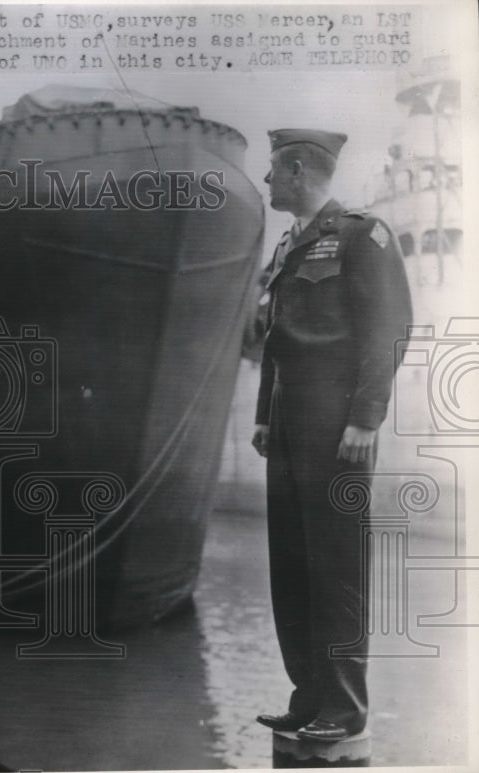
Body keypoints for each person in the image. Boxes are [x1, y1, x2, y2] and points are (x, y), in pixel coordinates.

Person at [251, 129, 413, 741]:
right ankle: (309, 696)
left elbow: (390, 328)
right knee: (291, 562)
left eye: (272, 171)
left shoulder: (361, 234)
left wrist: (366, 418)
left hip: (337, 424)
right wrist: (265, 414)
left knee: (337, 563)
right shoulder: (291, 244)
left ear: (297, 169)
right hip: (290, 426)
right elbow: (275, 338)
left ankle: (344, 710)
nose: (266, 182)